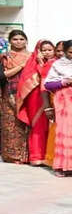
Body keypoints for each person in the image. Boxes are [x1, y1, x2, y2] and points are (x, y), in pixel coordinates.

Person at [43, 40, 72, 176]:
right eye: (71, 52)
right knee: (65, 132)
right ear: (65, 52)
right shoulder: (58, 65)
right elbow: (48, 84)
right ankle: (61, 166)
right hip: (64, 100)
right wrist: (66, 81)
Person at [15, 40, 55, 165]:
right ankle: (37, 156)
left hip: (53, 96)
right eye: (43, 50)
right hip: (36, 98)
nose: (47, 52)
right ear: (38, 51)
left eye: (49, 50)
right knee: (38, 125)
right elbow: (25, 82)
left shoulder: (57, 63)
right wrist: (40, 64)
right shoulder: (32, 63)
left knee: (52, 127)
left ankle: (50, 156)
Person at [2, 29, 30, 163]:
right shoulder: (5, 57)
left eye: (21, 39)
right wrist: (21, 66)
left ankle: (28, 155)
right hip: (10, 93)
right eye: (15, 39)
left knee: (28, 122)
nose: (18, 42)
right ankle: (12, 156)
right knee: (11, 124)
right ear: (10, 41)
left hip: (29, 93)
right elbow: (3, 75)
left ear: (26, 41)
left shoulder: (33, 56)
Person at [41, 41, 65, 168]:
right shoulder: (51, 64)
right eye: (58, 51)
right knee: (56, 129)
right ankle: (53, 159)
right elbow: (44, 87)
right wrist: (47, 107)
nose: (61, 53)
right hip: (55, 99)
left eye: (63, 50)